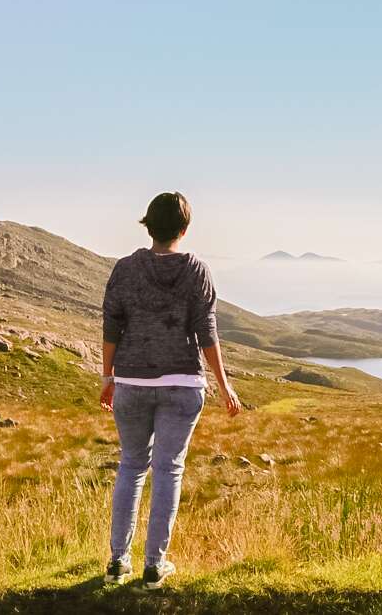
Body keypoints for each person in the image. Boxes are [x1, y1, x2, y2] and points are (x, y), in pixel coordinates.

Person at [99, 191, 242, 589]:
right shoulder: (197, 270)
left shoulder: (126, 269)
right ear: (184, 229)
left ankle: (117, 562)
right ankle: (154, 565)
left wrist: (107, 377)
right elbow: (207, 333)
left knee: (130, 466)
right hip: (182, 384)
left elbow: (112, 326)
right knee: (168, 470)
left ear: (148, 225)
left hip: (130, 382)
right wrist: (224, 385)